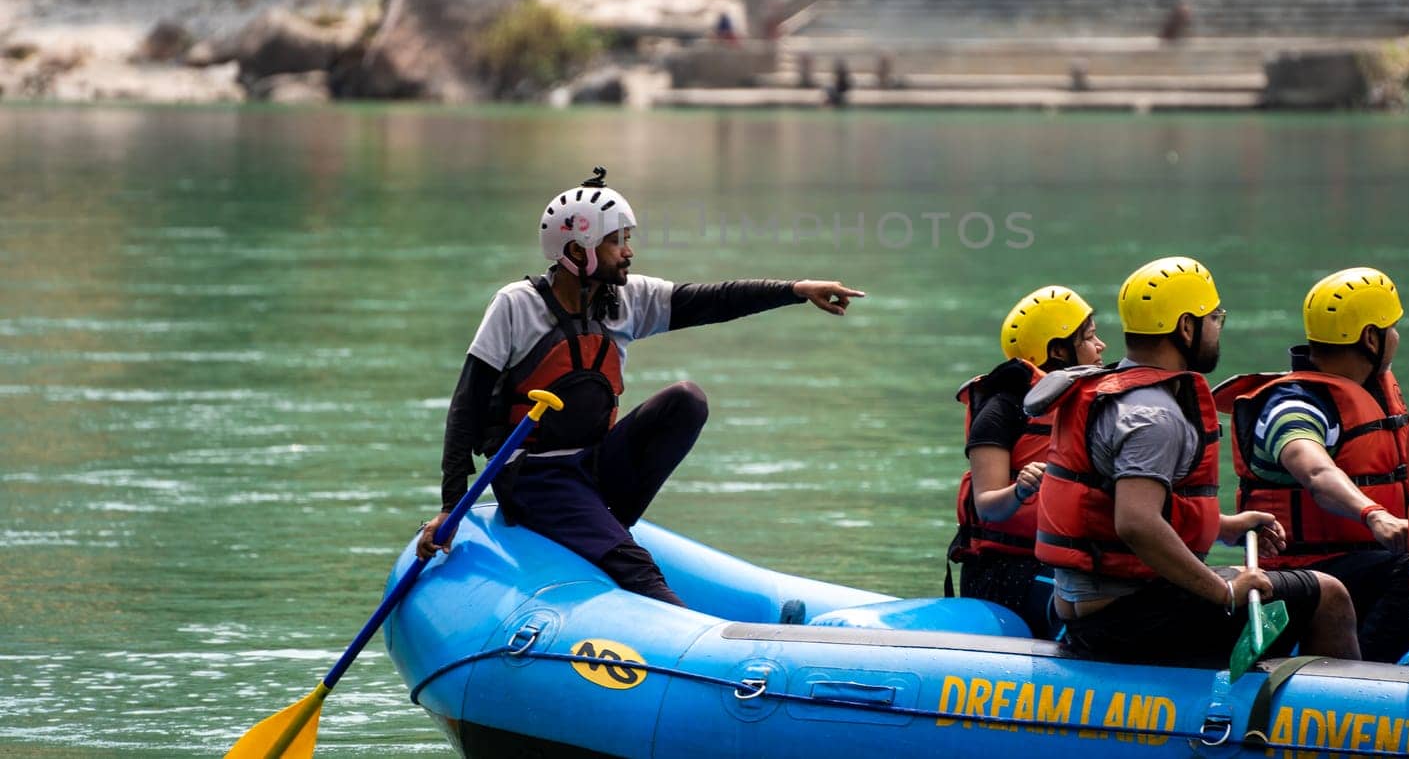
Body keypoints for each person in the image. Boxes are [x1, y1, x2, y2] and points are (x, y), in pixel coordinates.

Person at [418, 167, 865, 606]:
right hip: (533, 477)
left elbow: (716, 300)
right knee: (635, 565)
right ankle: (681, 625)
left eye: (626, 239)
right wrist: (451, 507)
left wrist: (795, 289)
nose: (628, 252)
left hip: (593, 466)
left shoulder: (627, 298)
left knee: (686, 402)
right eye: (617, 241)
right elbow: (467, 406)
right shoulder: (516, 305)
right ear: (578, 249)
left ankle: (607, 524)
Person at [1026, 256, 1360, 666]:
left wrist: (1226, 527)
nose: (1218, 328)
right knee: (1328, 594)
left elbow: (1134, 506)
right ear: (1186, 327)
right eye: (1214, 317)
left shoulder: (1115, 392)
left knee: (1264, 580)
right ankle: (1334, 720)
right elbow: (1136, 523)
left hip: (1093, 610)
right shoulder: (1155, 415)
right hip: (1127, 624)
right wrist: (1224, 593)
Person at [1214, 268, 1409, 662]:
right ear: (1371, 338)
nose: (1397, 337)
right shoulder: (1294, 404)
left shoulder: (1369, 393)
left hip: (1361, 565)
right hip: (1303, 574)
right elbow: (1316, 472)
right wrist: (1375, 516)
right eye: (1392, 328)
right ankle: (1373, 675)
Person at [949, 286, 1107, 636]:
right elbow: (987, 505)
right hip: (1006, 573)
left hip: (1065, 564)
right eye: (1090, 337)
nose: (1101, 347)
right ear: (1058, 350)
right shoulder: (1001, 410)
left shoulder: (1089, 408)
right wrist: (1020, 491)